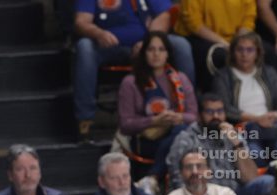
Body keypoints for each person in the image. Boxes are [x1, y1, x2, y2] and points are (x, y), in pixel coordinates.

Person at [73, 0, 196, 141]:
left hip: (146, 43)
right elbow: (81, 22)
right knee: (85, 47)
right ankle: (85, 121)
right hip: (108, 46)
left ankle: (188, 113)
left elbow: (164, 15)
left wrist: (148, 42)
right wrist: (98, 33)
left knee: (181, 45)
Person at [165, 93, 275, 195]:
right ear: (199, 115)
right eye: (209, 112)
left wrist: (237, 144)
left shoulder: (232, 136)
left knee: (267, 182)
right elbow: (178, 181)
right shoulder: (186, 139)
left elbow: (251, 178)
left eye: (220, 111)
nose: (216, 116)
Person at [117, 31, 197, 179]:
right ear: (144, 53)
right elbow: (125, 125)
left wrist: (178, 117)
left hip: (176, 132)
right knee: (182, 137)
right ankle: (156, 177)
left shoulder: (181, 78)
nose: (156, 54)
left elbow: (194, 116)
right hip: (147, 140)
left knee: (182, 133)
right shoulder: (130, 82)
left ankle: (153, 177)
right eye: (151, 49)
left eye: (161, 49)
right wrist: (154, 120)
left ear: (168, 54)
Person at [211, 31, 277, 167]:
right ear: (233, 52)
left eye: (250, 50)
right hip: (244, 129)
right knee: (255, 154)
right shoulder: (223, 76)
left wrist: (275, 115)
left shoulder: (270, 73)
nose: (244, 54)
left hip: (271, 127)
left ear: (257, 53)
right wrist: (257, 119)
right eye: (240, 49)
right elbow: (226, 109)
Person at [175, 0, 256, 86]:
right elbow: (193, 22)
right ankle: (216, 92)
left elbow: (248, 19)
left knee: (260, 50)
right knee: (221, 56)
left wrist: (239, 42)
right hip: (198, 37)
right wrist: (225, 44)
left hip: (234, 39)